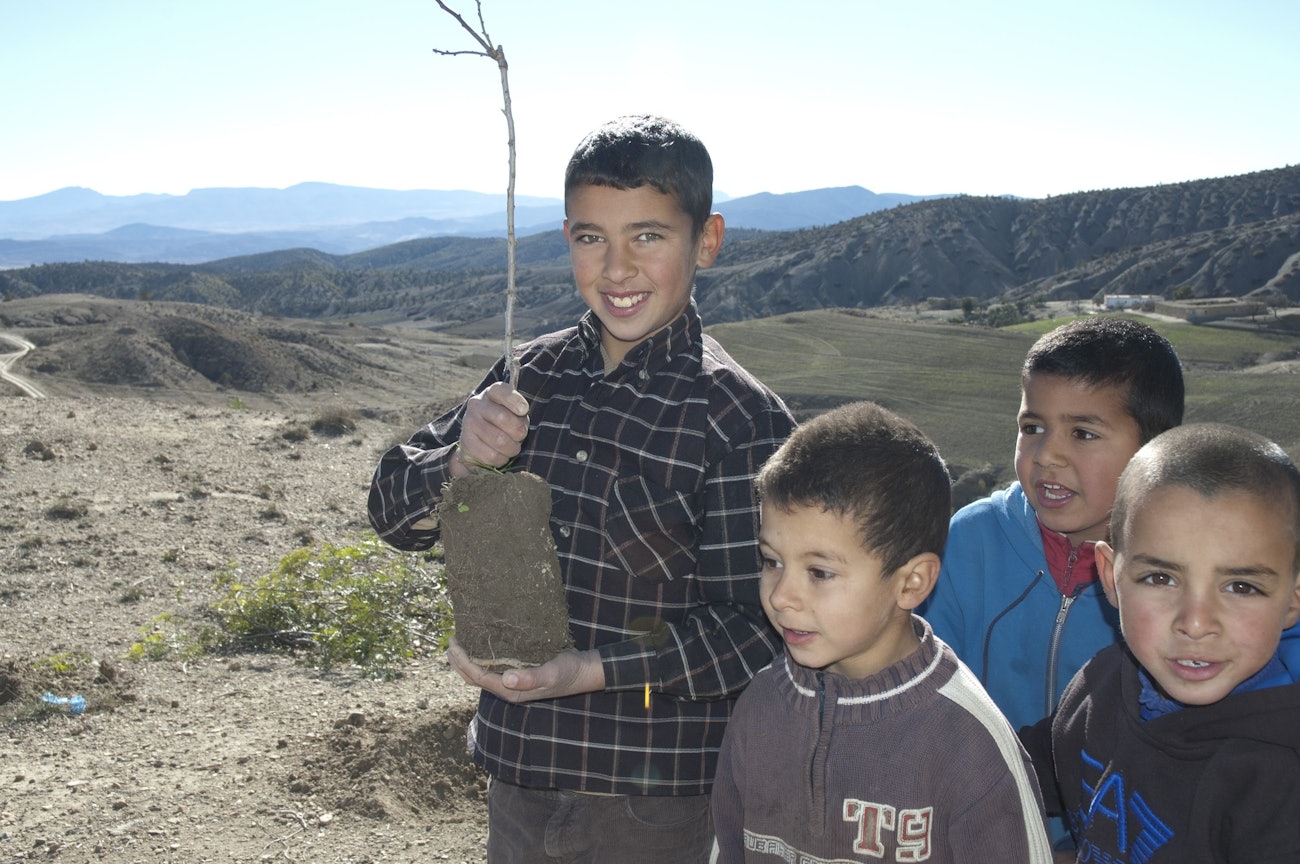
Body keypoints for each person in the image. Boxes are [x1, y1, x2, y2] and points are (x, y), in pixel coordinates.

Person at [368, 114, 796, 864]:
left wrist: (588, 672)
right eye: (592, 238)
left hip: (655, 805)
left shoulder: (736, 417)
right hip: (518, 775)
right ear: (568, 237)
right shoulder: (527, 375)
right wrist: (458, 466)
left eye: (649, 236)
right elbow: (390, 512)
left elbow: (758, 633)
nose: (618, 267)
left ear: (707, 241)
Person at [710, 401, 1053, 864]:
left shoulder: (968, 743)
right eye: (772, 561)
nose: (780, 596)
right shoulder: (761, 706)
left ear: (911, 582)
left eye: (819, 572)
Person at [919, 316, 1185, 847]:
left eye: (1083, 433)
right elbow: (921, 699)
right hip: (970, 831)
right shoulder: (969, 543)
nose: (1047, 455)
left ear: (1154, 447)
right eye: (1032, 427)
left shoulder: (1180, 577)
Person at [1020, 423, 1300, 862]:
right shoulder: (1102, 684)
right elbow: (1006, 772)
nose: (1195, 622)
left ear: (1293, 598)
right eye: (1161, 578)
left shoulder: (1278, 780)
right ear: (1111, 577)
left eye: (1241, 587)